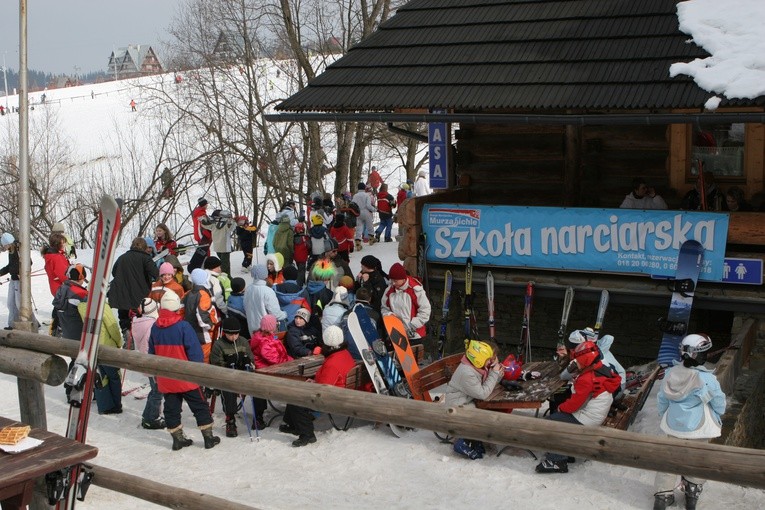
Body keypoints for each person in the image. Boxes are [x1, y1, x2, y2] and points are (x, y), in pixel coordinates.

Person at [652, 334, 725, 510]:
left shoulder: (670, 373)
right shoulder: (706, 380)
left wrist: (666, 415)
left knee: (669, 459)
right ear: (699, 355)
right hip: (698, 428)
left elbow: (662, 399)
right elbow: (719, 403)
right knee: (697, 459)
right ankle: (691, 494)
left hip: (673, 425)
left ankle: (662, 497)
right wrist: (717, 414)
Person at [535, 340, 621, 474]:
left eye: (578, 361)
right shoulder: (601, 368)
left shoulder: (587, 379)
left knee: (552, 422)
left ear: (586, 360)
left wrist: (561, 408)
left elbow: (575, 405)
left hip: (588, 418)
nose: (576, 363)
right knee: (560, 417)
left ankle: (557, 461)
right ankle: (566, 453)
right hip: (595, 414)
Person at [149, 290, 220, 450]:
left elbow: (151, 353)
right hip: (186, 376)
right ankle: (208, 438)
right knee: (199, 406)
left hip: (166, 377)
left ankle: (177, 439)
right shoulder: (183, 326)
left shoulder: (155, 327)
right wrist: (197, 371)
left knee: (171, 408)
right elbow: (195, 352)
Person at [280, 325, 353, 447]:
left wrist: (312, 384)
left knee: (296, 398)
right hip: (340, 391)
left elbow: (322, 390)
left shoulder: (332, 363)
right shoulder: (344, 353)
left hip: (332, 397)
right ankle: (293, 425)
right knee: (296, 392)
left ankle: (307, 435)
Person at [444, 340, 504, 459]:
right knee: (482, 417)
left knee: (484, 416)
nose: (490, 362)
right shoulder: (467, 373)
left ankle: (474, 440)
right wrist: (494, 373)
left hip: (466, 402)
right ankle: (462, 442)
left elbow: (484, 386)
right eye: (488, 360)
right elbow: (482, 393)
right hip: (457, 407)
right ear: (479, 359)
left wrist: (496, 373)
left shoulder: (475, 367)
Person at [77, 299, 123, 414]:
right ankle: (116, 404)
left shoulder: (82, 306)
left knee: (100, 376)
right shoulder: (102, 306)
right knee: (114, 376)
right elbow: (112, 327)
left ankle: (104, 405)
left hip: (92, 346)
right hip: (106, 345)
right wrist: (119, 342)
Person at [210, 317, 254, 438]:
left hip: (242, 374)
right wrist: (227, 364)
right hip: (227, 376)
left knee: (258, 385)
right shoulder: (219, 344)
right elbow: (215, 364)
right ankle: (230, 419)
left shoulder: (243, 341)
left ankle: (259, 415)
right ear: (225, 333)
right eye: (231, 334)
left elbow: (251, 357)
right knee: (228, 390)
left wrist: (246, 361)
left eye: (236, 333)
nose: (234, 337)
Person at [108, 236, 159, 335]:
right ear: (144, 248)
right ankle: (137, 337)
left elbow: (114, 272)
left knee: (124, 318)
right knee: (139, 320)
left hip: (122, 295)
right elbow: (156, 274)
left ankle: (126, 332)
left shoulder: (122, 257)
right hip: (139, 296)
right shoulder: (146, 258)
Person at [249, 314, 292, 428]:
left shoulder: (269, 337)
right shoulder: (263, 342)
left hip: (273, 368)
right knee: (295, 382)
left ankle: (293, 411)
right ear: (271, 328)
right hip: (265, 371)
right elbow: (274, 359)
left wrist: (289, 359)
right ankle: (293, 412)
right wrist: (287, 361)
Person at [131, 297, 165, 430]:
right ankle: (152, 418)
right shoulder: (152, 326)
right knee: (157, 391)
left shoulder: (140, 322)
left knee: (155, 390)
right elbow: (148, 347)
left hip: (146, 362)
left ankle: (148, 416)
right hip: (152, 363)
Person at [381, 263, 431, 345]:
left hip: (414, 335)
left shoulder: (415, 290)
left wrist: (412, 326)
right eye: (391, 280)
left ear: (403, 279)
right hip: (396, 334)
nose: (393, 283)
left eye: (395, 281)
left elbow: (425, 310)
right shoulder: (389, 290)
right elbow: (384, 308)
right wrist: (389, 315)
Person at [183, 268, 220, 360]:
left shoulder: (187, 294)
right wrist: (212, 326)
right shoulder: (203, 295)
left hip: (190, 331)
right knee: (204, 358)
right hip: (203, 334)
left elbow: (181, 311)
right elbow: (202, 316)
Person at [244, 264, 287, 335]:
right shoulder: (268, 291)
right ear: (265, 275)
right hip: (266, 330)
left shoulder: (248, 289)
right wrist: (285, 314)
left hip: (252, 328)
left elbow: (245, 306)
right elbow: (275, 313)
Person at [202, 209, 236, 275]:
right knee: (224, 265)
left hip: (217, 246)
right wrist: (233, 221)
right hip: (225, 247)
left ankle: (228, 277)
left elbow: (205, 225)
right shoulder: (227, 223)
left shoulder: (214, 223)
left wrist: (203, 220)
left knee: (225, 263)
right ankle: (224, 277)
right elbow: (231, 228)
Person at [0, 233, 20, 329]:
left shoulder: (18, 250)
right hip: (13, 279)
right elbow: (10, 266)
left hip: (19, 280)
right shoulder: (11, 252)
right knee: (10, 303)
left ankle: (33, 322)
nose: (5, 247)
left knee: (20, 304)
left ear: (8, 243)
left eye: (5, 245)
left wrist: (19, 272)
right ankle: (12, 324)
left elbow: (29, 262)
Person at [41, 233, 70, 297]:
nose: (65, 245)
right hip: (62, 289)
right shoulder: (56, 257)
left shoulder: (51, 255)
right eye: (63, 243)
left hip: (56, 288)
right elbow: (63, 275)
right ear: (58, 245)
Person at [352, 182, 376, 250]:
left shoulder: (355, 196)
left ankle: (358, 241)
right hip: (366, 212)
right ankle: (371, 239)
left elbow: (353, 204)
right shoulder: (366, 195)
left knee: (359, 227)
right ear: (364, 188)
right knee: (369, 225)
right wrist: (374, 209)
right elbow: (368, 205)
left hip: (358, 212)